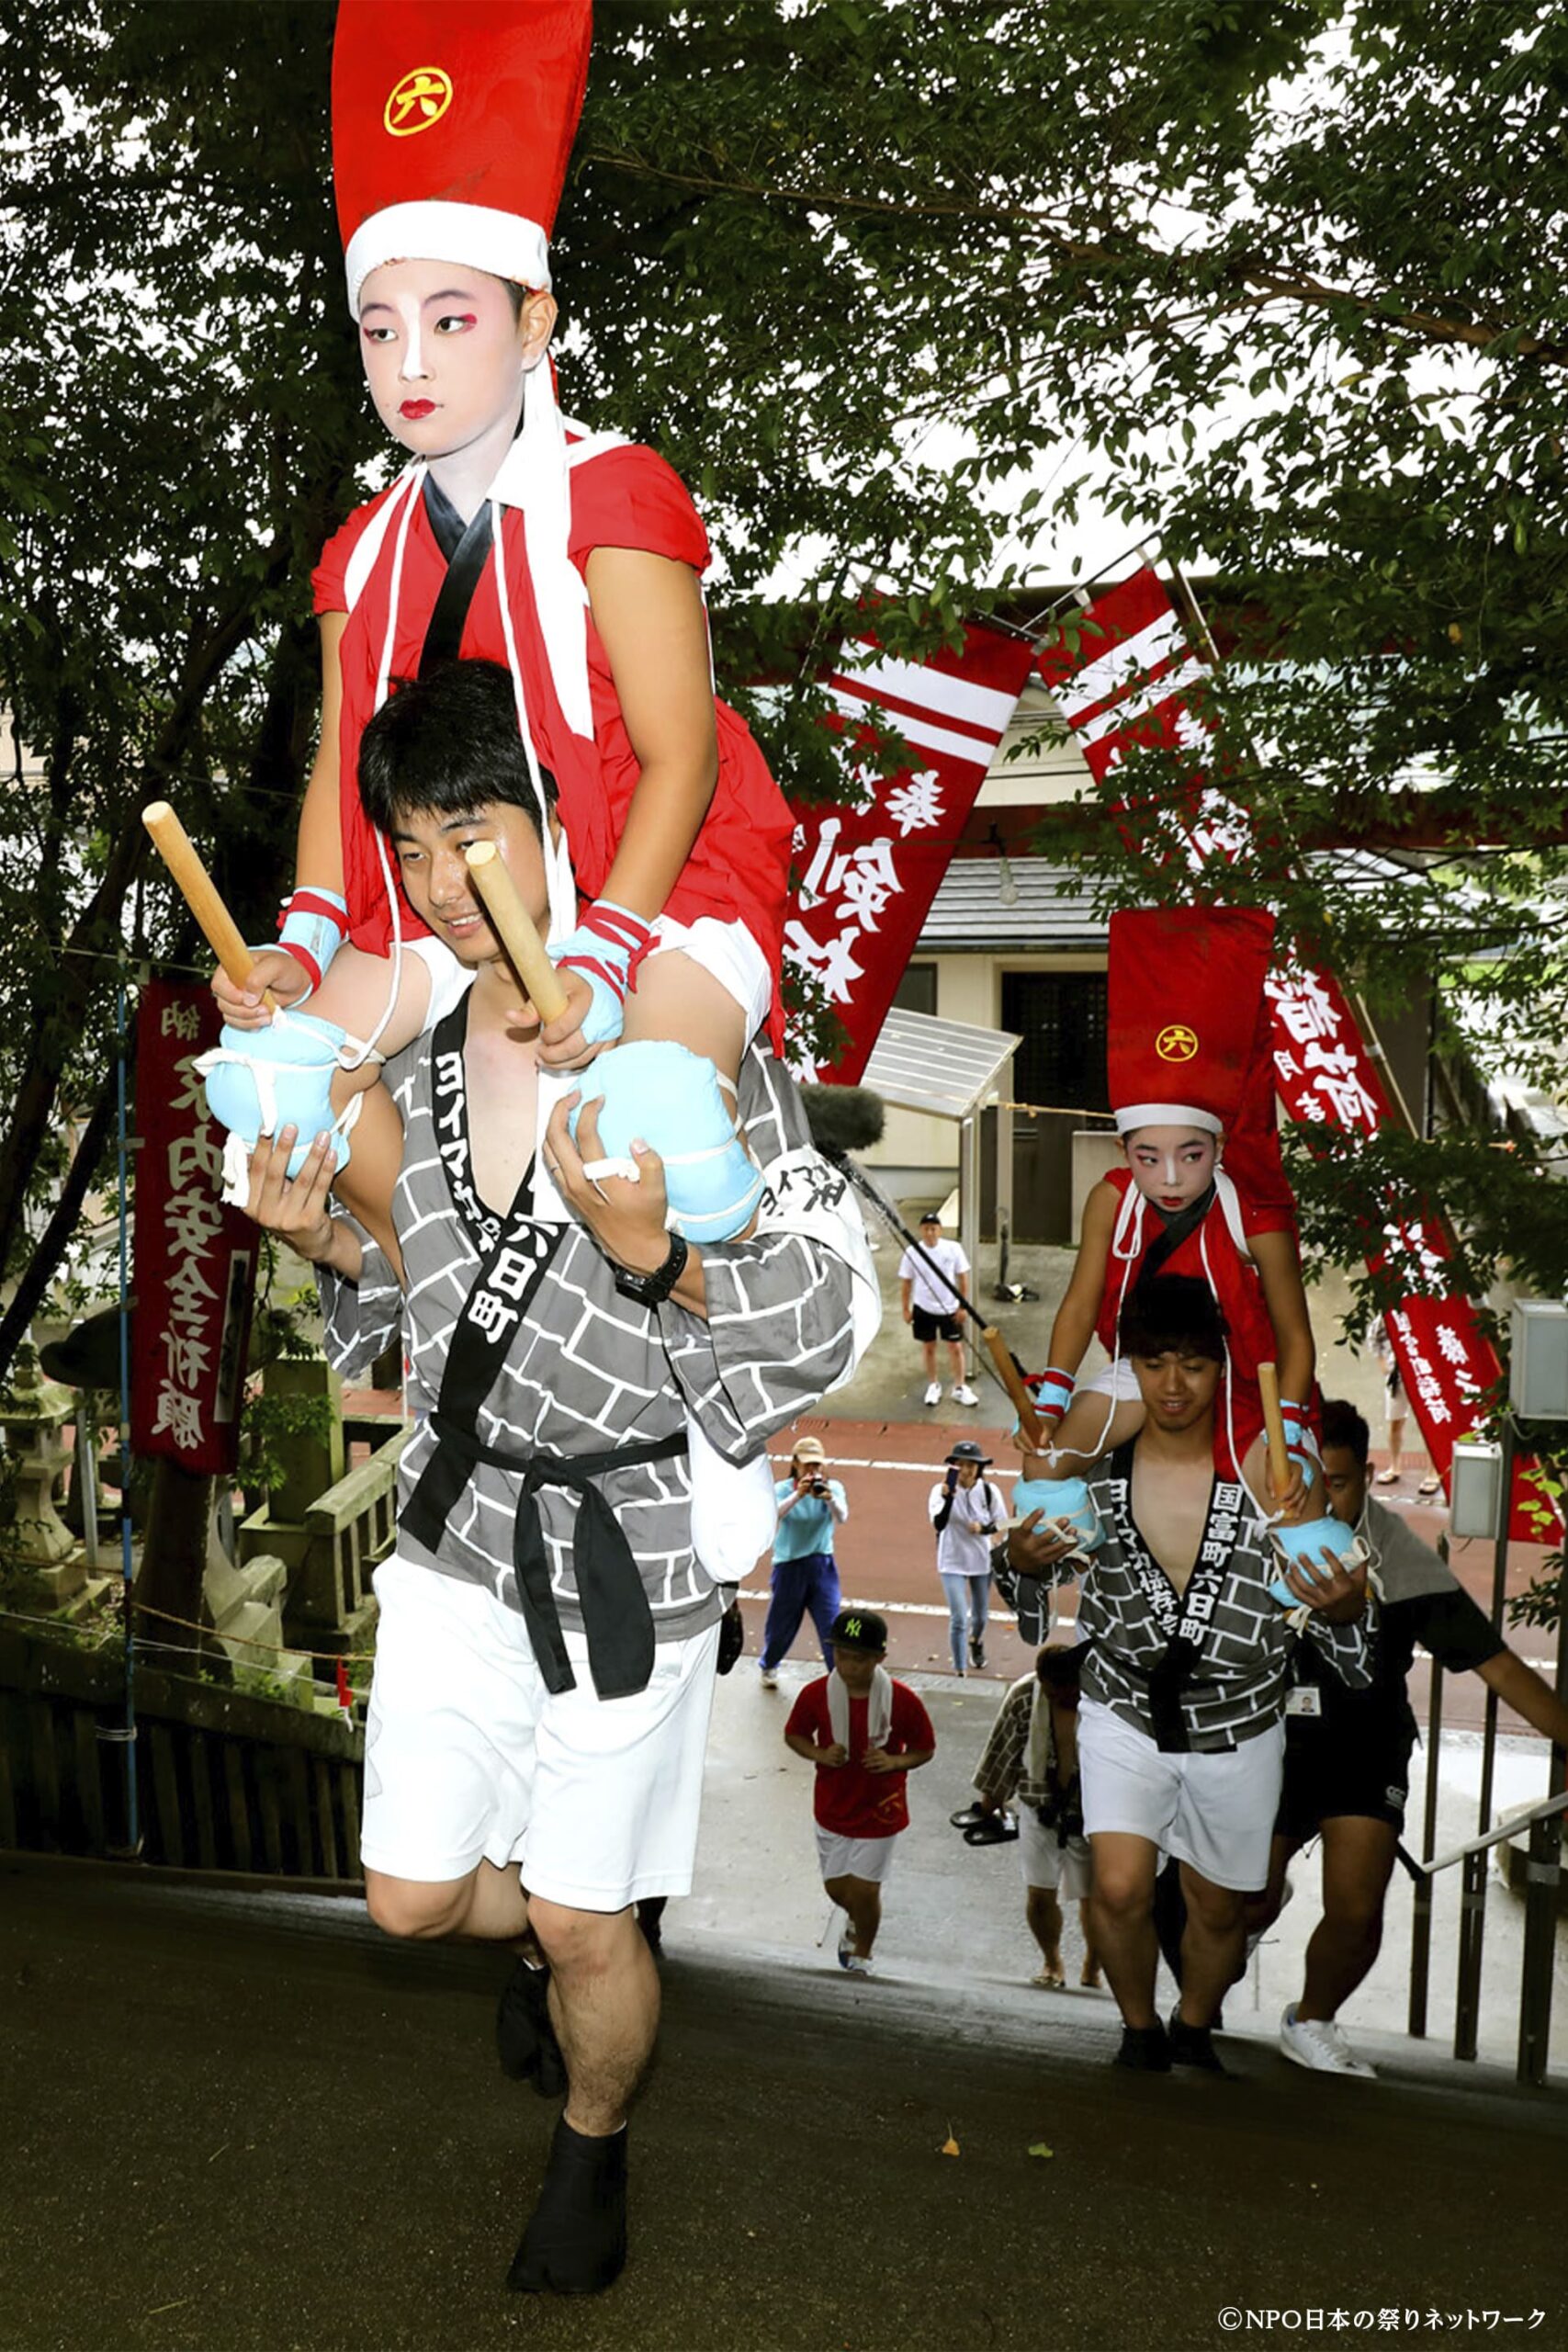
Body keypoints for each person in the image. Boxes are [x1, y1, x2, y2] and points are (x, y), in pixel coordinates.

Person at [239, 658, 871, 2297]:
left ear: (561, 823)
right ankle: (575, 1931)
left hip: (628, 1551)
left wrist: (664, 1259)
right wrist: (328, 1245)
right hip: (457, 1534)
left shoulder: (685, 1049)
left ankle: (592, 2140)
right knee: (403, 1901)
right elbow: (403, 1310)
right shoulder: (409, 1065)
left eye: (477, 835)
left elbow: (824, 1323)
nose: (445, 887)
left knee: (591, 1923)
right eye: (414, 848)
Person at [209, 0, 790, 1250]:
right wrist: (302, 950)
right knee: (263, 1085)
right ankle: (424, 1273)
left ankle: (738, 1318)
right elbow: (337, 770)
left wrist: (610, 955)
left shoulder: (617, 493)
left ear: (533, 321)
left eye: (450, 319)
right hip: (452, 889)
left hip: (661, 871)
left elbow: (680, 756)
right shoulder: (357, 555)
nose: (408, 360)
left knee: (651, 1123)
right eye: (380, 328)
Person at [1008, 1274, 1371, 2075]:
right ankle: (1138, 2031)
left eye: (1195, 1365)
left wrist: (1342, 1601)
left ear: (1226, 1367)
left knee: (1220, 1903)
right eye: (1153, 1363)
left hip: (1239, 1718)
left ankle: (1195, 2025)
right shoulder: (1093, 1471)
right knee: (1118, 1885)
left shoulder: (1274, 1477)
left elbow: (1348, 1612)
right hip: (1121, 1706)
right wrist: (1019, 1559)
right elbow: (1029, 1591)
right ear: (1126, 1366)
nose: (1173, 1386)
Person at [1255, 1396, 1568, 2078]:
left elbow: (1498, 1664)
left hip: (1366, 1744)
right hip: (1270, 1739)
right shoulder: (1260, 1538)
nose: (1321, 1502)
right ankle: (1227, 1953)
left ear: (1365, 1476)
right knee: (1241, 1897)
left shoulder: (1398, 1556)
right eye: (1308, 1483)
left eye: (1336, 1484)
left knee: (1357, 1897)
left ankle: (1309, 2019)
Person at [1029, 910, 1314, 1514]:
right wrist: (1051, 1397)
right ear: (1122, 1151)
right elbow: (1080, 1303)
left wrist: (1285, 1426)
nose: (1170, 1177)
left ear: (1218, 1146)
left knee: (1297, 1512)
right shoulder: (1110, 1199)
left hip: (1247, 1381)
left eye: (1190, 1155)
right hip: (1147, 1369)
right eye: (1147, 1157)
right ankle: (1085, 1547)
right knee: (1042, 1465)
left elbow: (1293, 1338)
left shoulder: (1255, 1214)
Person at [784, 1609, 936, 1975]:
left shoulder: (900, 1699)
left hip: (880, 1807)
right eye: (842, 1656)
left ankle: (861, 1951)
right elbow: (794, 1734)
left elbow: (924, 1747)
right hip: (834, 1804)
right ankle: (856, 1918)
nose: (849, 1667)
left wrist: (894, 1762)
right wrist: (819, 1753)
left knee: (866, 1891)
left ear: (880, 1659)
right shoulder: (816, 1694)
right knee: (839, 1889)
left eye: (860, 1659)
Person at [970, 1645, 1101, 1990]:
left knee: (1099, 1898)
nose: (1061, 1695)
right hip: (1038, 1803)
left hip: (1093, 1809)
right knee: (1039, 1894)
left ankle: (1094, 1966)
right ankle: (1052, 1961)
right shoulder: (1026, 1694)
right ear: (1043, 1682)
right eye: (1054, 1689)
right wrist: (990, 1802)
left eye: (1068, 1688)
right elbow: (1003, 1750)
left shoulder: (1102, 1697)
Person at [759, 1435, 849, 1690]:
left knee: (831, 1622)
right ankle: (769, 1663)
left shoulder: (834, 1488)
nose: (813, 1471)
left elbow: (842, 1517)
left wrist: (829, 1498)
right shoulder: (783, 1489)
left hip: (822, 1564)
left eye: (817, 1465)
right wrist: (798, 1495)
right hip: (789, 1566)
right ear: (796, 1464)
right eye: (808, 1465)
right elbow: (773, 1514)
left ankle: (838, 1675)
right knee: (781, 1623)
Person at [929, 1439, 1005, 1674]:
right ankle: (960, 1669)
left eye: (971, 1465)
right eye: (960, 1465)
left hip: (981, 1560)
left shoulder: (989, 1491)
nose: (966, 1470)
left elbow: (1002, 1522)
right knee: (959, 1618)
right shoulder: (940, 1492)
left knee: (980, 1617)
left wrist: (984, 1530)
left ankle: (976, 1641)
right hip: (952, 1560)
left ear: (979, 1468)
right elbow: (939, 1524)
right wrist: (949, 1498)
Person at [898, 1211, 977, 1407]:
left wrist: (963, 1306)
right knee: (929, 1347)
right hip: (923, 1308)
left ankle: (960, 1387)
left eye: (933, 1228)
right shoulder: (912, 1252)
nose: (930, 1232)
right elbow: (907, 1282)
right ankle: (933, 1384)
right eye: (926, 1228)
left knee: (956, 1347)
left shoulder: (953, 1248)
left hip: (950, 1308)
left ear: (940, 1230)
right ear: (921, 1230)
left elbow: (963, 1278)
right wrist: (906, 1309)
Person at [1370, 1316, 1440, 1495]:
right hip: (1396, 1376)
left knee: (1430, 1427)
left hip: (1423, 1373)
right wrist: (1384, 1365)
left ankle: (1433, 1472)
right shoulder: (1385, 1316)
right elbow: (1374, 1337)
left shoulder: (1421, 1310)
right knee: (1395, 1423)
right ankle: (1395, 1466)